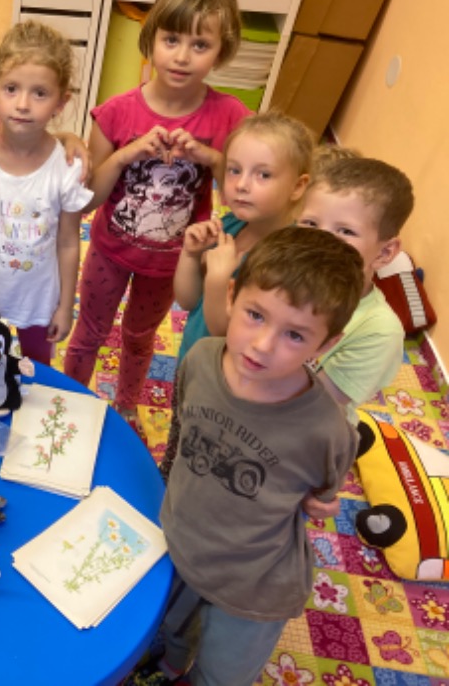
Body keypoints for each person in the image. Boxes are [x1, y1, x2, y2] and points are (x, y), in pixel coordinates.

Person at [125, 225, 363, 686]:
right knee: (168, 631)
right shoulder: (200, 360)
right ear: (232, 295)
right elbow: (183, 433)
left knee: (221, 674)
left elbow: (321, 494)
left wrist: (316, 502)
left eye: (295, 335)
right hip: (180, 543)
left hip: (254, 588)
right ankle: (168, 665)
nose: (262, 345)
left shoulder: (326, 431)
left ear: (326, 344)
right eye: (255, 315)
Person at [63, 0, 249, 426]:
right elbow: (87, 200)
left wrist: (208, 156)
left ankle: (127, 405)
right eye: (171, 39)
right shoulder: (115, 112)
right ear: (151, 39)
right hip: (110, 251)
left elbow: (243, 191)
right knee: (89, 331)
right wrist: (126, 155)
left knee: (140, 336)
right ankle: (67, 402)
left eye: (200, 44)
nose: (182, 56)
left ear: (221, 50)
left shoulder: (231, 117)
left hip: (171, 264)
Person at [0, 20, 94, 365]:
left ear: (61, 102)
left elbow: (69, 243)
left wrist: (65, 306)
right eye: (11, 88)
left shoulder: (67, 169)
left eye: (40, 93)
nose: (23, 104)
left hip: (39, 301)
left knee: (36, 375)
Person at [174, 112, 313, 363]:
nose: (241, 185)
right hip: (193, 359)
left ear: (297, 186)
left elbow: (224, 336)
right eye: (234, 170)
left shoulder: (287, 260)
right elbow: (188, 301)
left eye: (263, 175)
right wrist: (190, 255)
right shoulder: (230, 225)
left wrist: (218, 280)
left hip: (226, 375)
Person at [298, 156, 414, 424]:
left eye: (345, 231)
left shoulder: (379, 330)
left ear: (385, 252)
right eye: (311, 224)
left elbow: (310, 407)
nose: (318, 241)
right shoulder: (281, 281)